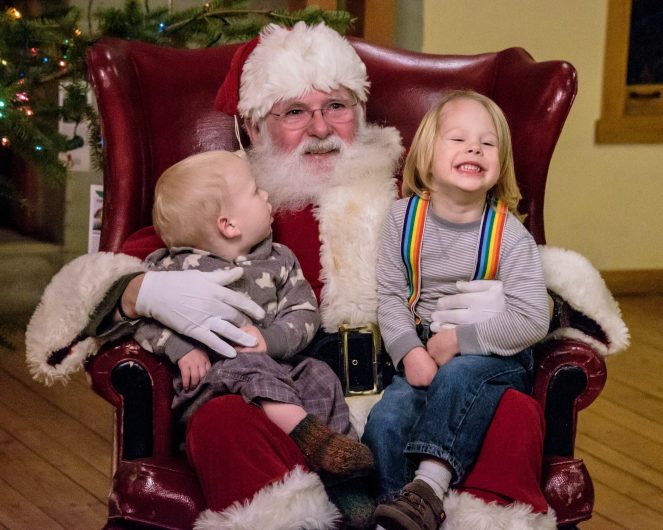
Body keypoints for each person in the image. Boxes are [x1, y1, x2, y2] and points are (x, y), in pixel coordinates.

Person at [27, 22, 573, 529]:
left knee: (515, 413)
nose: (319, 128)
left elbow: (527, 259)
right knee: (221, 424)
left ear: (360, 112)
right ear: (252, 125)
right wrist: (139, 291)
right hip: (295, 398)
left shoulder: (423, 191)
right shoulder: (235, 200)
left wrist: (532, 306)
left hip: (417, 384)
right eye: (293, 112)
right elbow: (126, 260)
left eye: (336, 106)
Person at [363, 91, 550, 530]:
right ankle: (395, 512)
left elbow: (532, 318)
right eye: (459, 139)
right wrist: (411, 351)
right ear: (427, 157)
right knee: (386, 420)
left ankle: (428, 487)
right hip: (423, 346)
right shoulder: (401, 220)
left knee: (460, 375)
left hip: (492, 353)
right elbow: (390, 294)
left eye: (487, 143)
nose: (474, 149)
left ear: (499, 163)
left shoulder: (510, 235)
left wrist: (456, 342)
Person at [133, 149, 374, 479]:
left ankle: (344, 473)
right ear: (229, 224)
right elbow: (142, 319)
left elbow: (304, 312)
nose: (265, 195)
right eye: (254, 191)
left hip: (279, 369)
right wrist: (181, 348)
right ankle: (308, 435)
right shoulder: (171, 268)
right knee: (247, 362)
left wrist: (270, 339)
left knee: (320, 374)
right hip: (211, 382)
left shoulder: (279, 260)